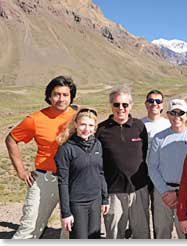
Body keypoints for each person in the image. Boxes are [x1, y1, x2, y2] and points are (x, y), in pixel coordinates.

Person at [5, 75, 77, 239]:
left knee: (71, 230)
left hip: (73, 179)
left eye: (65, 95)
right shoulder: (36, 119)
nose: (61, 99)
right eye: (56, 94)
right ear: (49, 96)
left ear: (71, 96)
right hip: (45, 179)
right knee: (29, 229)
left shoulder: (78, 117)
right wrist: (21, 171)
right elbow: (11, 139)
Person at [96, 86, 150, 239]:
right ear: (111, 105)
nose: (121, 108)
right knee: (114, 233)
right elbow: (98, 162)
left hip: (138, 188)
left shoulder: (139, 126)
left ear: (131, 106)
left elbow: (144, 153)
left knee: (141, 232)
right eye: (116, 104)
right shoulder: (102, 130)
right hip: (113, 190)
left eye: (125, 104)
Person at [54, 108, 109, 239]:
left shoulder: (97, 145)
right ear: (76, 124)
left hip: (95, 201)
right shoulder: (66, 149)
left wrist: (105, 198)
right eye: (83, 124)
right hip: (77, 203)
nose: (86, 129)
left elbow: (100, 173)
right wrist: (66, 213)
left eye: (90, 125)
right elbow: (63, 183)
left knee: (94, 238)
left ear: (95, 128)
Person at [147, 99, 187, 239]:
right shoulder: (159, 138)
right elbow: (152, 166)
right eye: (173, 113)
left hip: (186, 193)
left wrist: (178, 193)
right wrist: (164, 191)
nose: (177, 117)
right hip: (162, 192)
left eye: (180, 113)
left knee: (185, 232)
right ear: (168, 115)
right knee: (162, 231)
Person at [141, 89, 171, 238]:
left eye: (158, 101)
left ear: (162, 105)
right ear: (146, 104)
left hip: (161, 174)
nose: (154, 104)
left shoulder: (168, 124)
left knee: (160, 213)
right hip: (142, 174)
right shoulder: (139, 124)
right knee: (141, 211)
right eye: (151, 101)